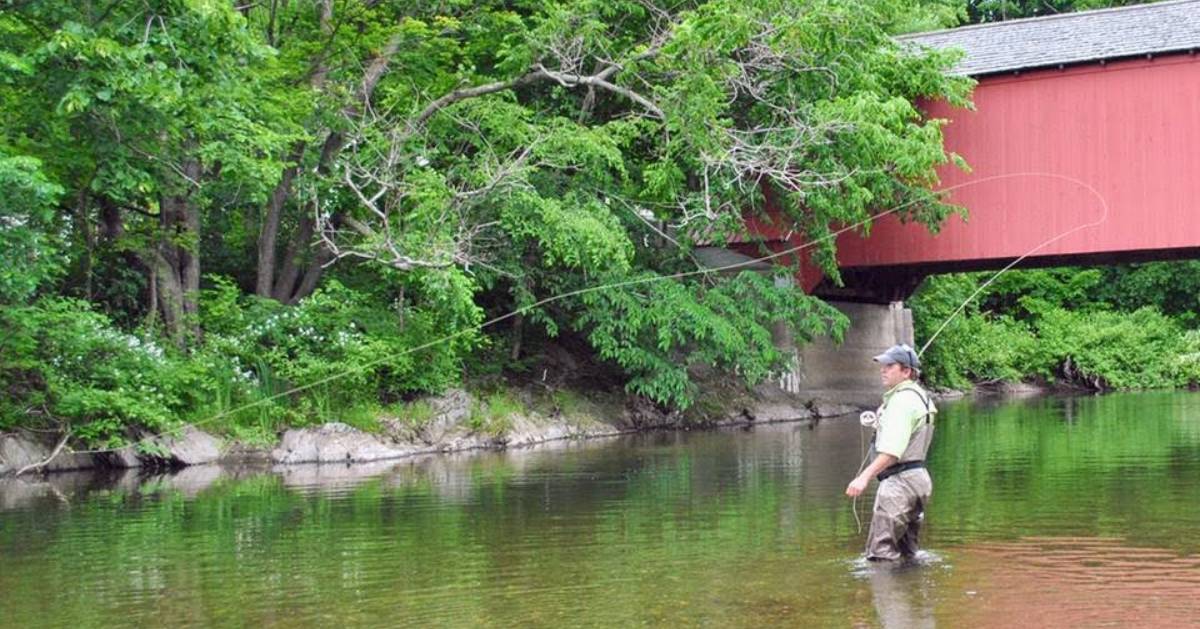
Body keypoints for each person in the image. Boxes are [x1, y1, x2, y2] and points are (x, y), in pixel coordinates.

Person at [845, 343, 936, 561]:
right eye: (882, 365)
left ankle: (888, 594)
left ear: (906, 371)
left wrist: (863, 477)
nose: (883, 370)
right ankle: (914, 591)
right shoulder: (921, 397)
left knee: (880, 554)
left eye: (890, 365)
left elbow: (893, 452)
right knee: (909, 553)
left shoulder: (901, 401)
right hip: (919, 481)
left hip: (899, 483)